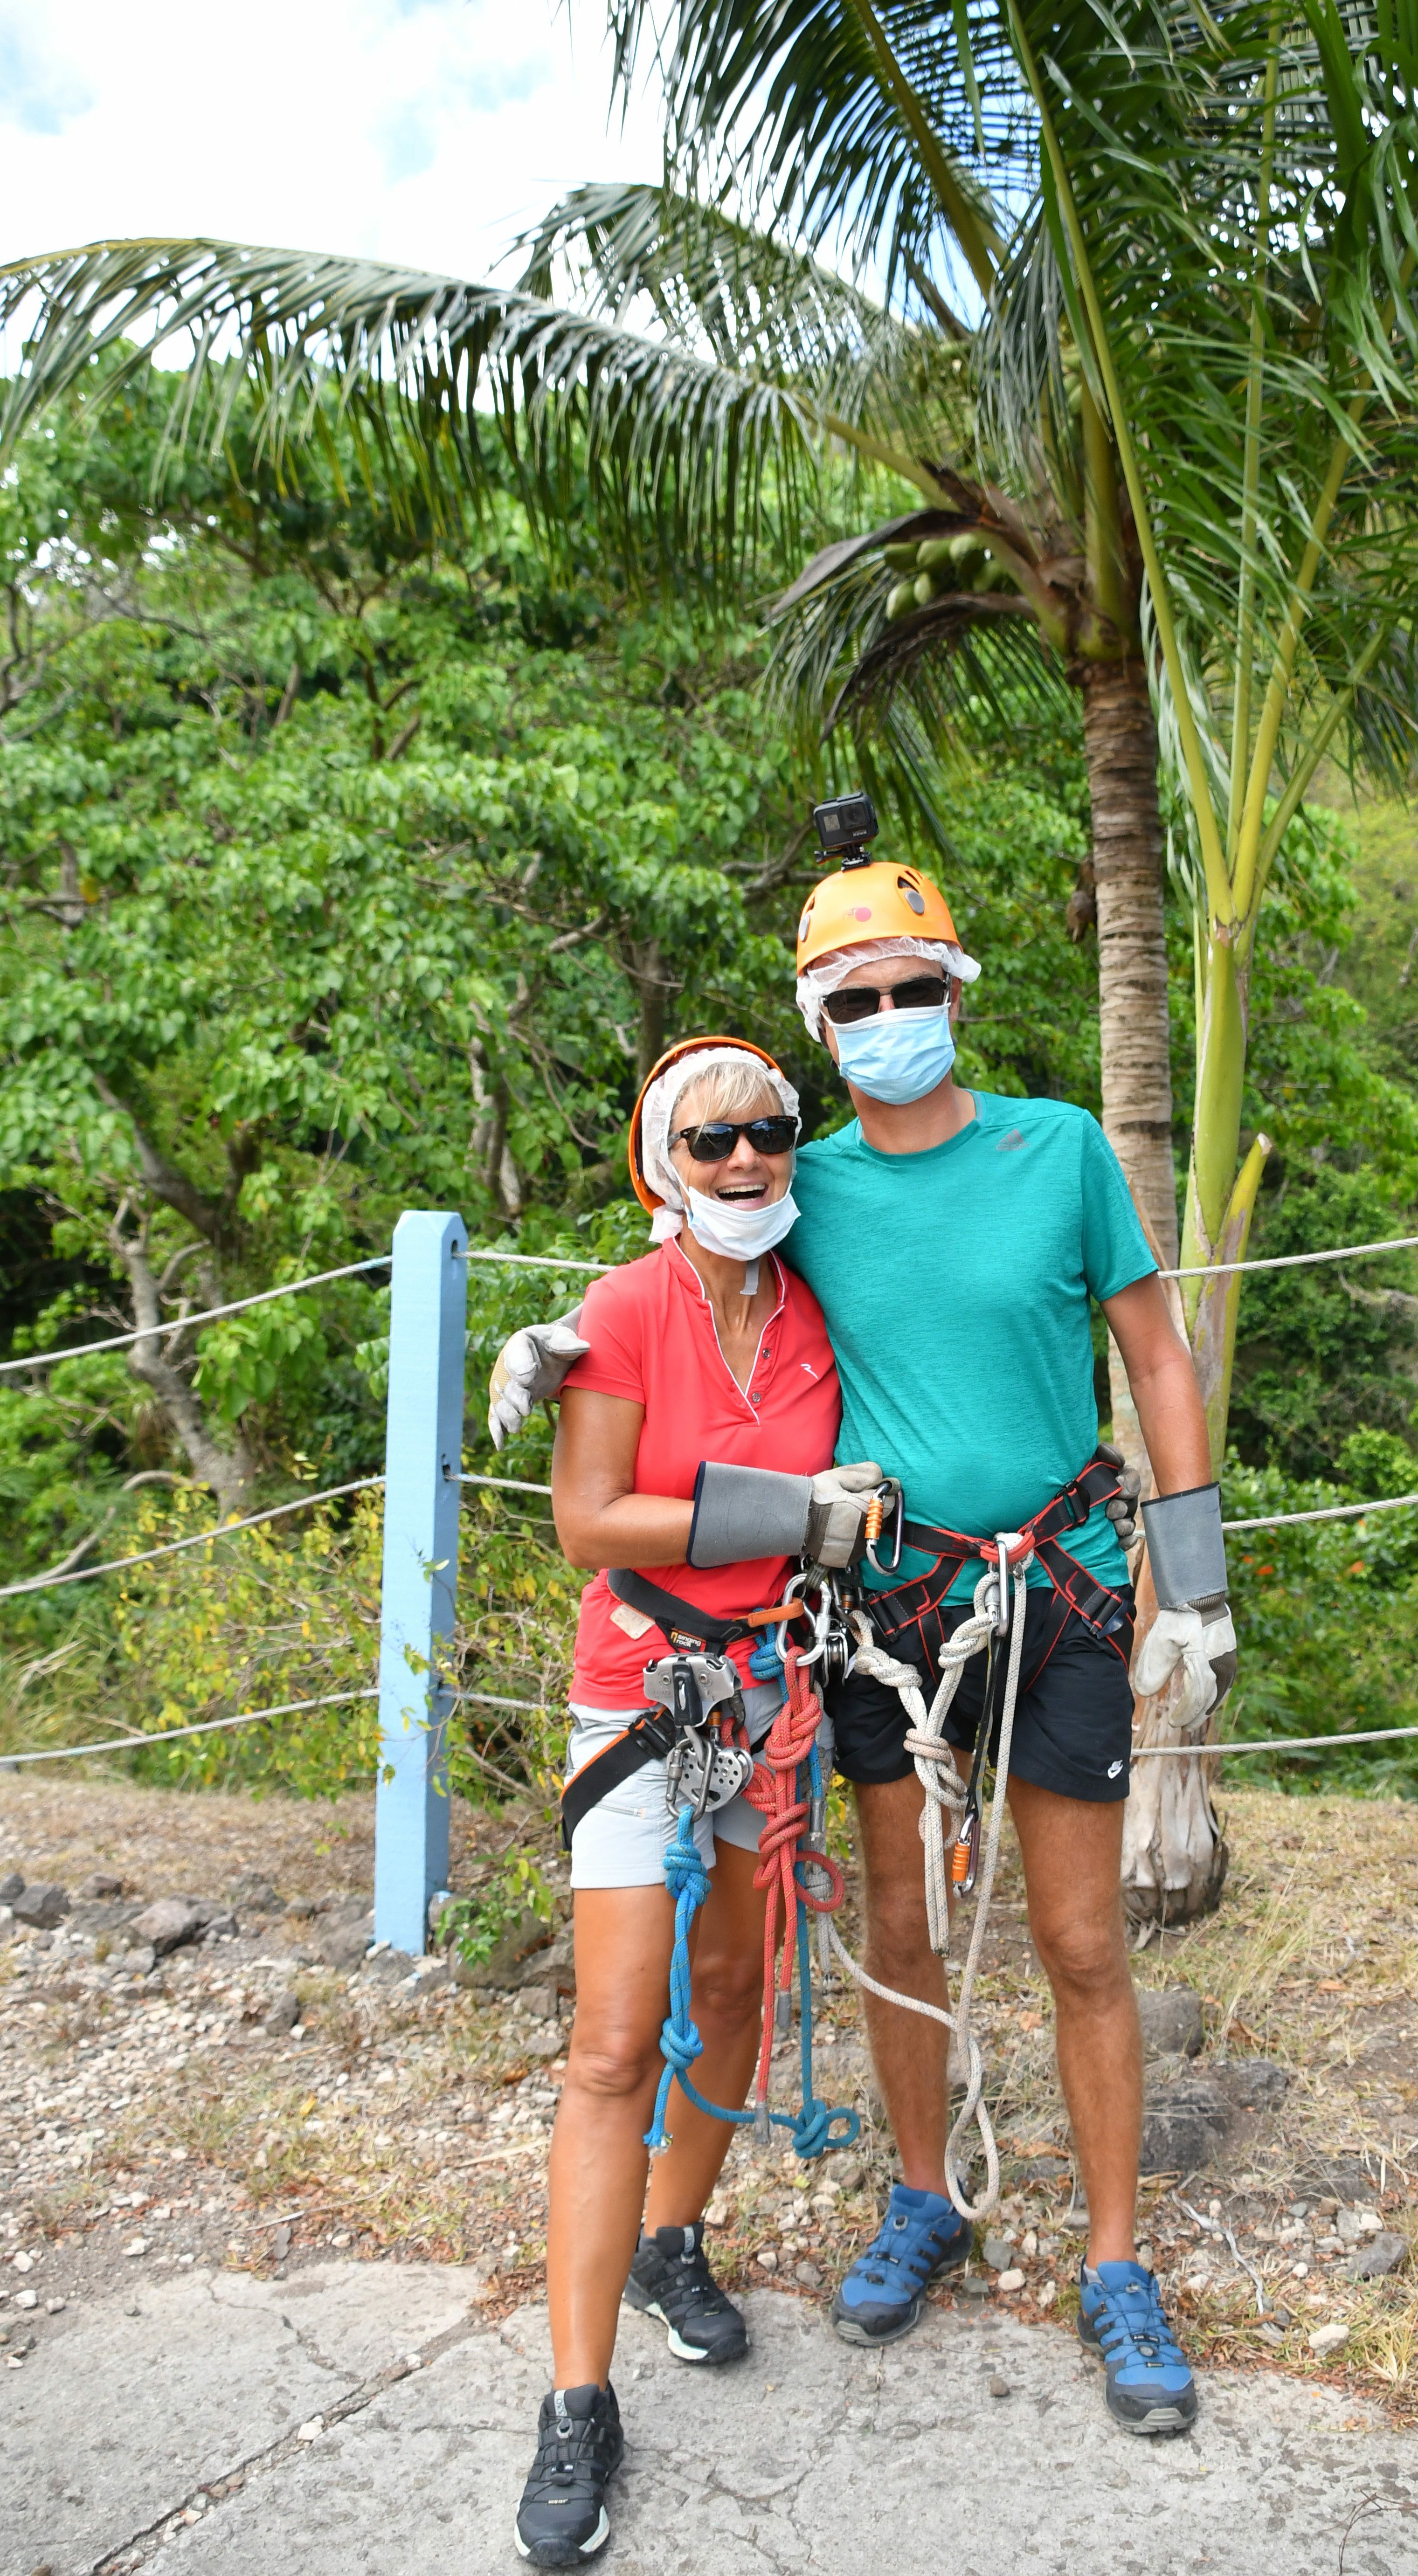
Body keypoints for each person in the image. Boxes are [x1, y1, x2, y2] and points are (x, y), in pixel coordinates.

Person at [775, 834, 1233, 2437]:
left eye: (911, 987)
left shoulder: (1062, 1152)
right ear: (821, 1027)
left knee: (1083, 1942)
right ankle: (926, 2199)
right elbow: (695, 1287)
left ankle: (1116, 2263)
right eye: (855, 1000)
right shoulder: (804, 1192)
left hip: (1069, 1584)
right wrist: (579, 1352)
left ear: (955, 993)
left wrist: (1197, 1583)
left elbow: (1158, 1360)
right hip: (892, 1610)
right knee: (900, 1926)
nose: (887, 1017)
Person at [499, 1036, 886, 2570]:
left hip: (771, 1697)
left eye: (769, 1130)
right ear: (665, 1161)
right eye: (710, 1140)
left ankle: (673, 2240)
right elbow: (588, 1522)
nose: (744, 1160)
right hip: (643, 1695)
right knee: (613, 2043)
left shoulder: (813, 1307)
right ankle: (575, 2401)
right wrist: (794, 1512)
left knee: (732, 1988)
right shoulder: (623, 1310)